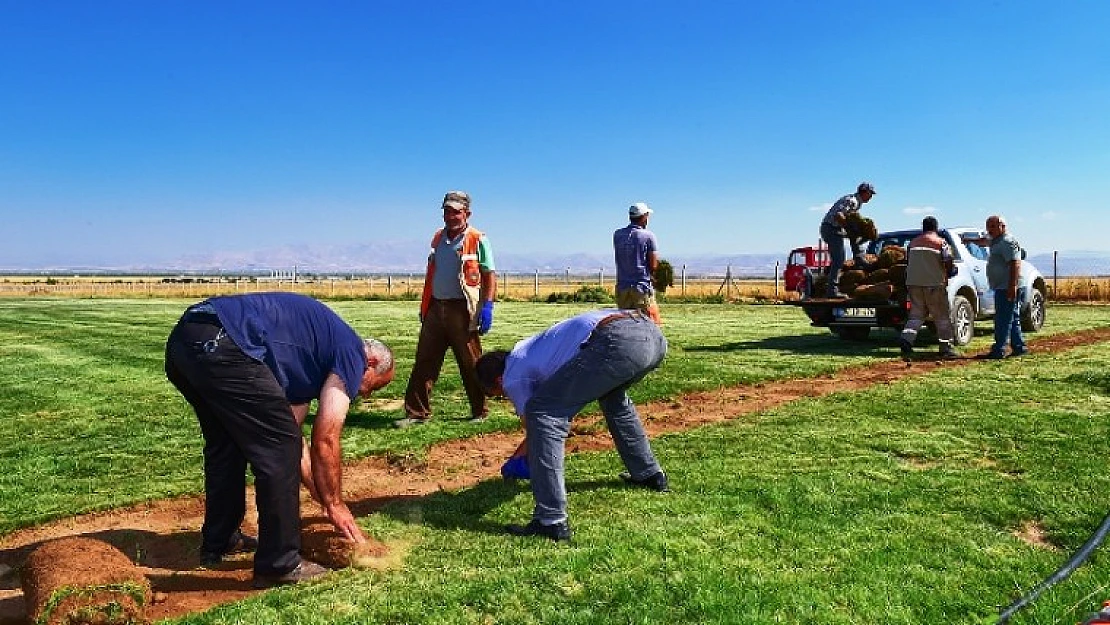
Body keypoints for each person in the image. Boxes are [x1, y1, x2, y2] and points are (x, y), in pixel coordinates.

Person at [164, 292, 395, 588]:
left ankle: (221, 541)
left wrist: (323, 499)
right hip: (225, 341)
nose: (364, 395)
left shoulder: (306, 367)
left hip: (189, 338)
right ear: (371, 362)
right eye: (372, 387)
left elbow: (293, 437)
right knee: (277, 449)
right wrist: (336, 504)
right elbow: (324, 437)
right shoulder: (351, 351)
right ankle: (280, 564)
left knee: (228, 445)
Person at [475, 309, 669, 542]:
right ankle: (649, 474)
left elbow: (538, 422)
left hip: (615, 340)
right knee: (612, 399)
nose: (506, 397)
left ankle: (550, 520)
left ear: (498, 381)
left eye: (498, 395)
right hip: (650, 333)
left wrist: (516, 460)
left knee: (542, 412)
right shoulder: (527, 350)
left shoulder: (512, 376)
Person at [395, 190, 497, 428]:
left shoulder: (477, 239)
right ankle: (416, 412)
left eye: (455, 212)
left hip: (462, 309)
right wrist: (426, 306)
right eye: (446, 211)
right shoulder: (439, 238)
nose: (450, 216)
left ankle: (479, 411)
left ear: (467, 213)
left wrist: (488, 306)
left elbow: (489, 275)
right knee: (424, 361)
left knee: (470, 362)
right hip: (436, 307)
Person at [898, 216, 959, 360]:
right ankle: (946, 347)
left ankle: (906, 339)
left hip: (913, 284)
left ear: (923, 227)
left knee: (916, 315)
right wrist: (951, 271)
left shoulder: (912, 243)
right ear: (936, 228)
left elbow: (909, 262)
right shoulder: (940, 242)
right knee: (942, 316)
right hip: (934, 284)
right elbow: (948, 260)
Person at [976, 215, 1029, 359]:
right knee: (1012, 317)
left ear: (1002, 226)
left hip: (1008, 286)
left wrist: (1012, 285)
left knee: (1002, 319)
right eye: (988, 226)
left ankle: (999, 349)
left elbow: (1014, 263)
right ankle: (1019, 347)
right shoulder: (996, 241)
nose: (989, 229)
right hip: (1003, 286)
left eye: (993, 226)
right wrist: (969, 241)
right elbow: (985, 241)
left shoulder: (1007, 242)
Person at [820, 182, 876, 298]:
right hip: (831, 228)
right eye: (870, 194)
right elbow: (838, 215)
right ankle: (832, 291)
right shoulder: (852, 201)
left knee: (855, 234)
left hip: (835, 228)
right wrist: (849, 228)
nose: (871, 197)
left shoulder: (857, 203)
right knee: (839, 260)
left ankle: (859, 258)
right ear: (865, 192)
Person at [613, 202, 662, 324]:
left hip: (622, 287)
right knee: (650, 324)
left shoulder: (618, 235)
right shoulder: (648, 236)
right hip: (641, 287)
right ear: (644, 217)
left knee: (626, 324)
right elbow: (653, 265)